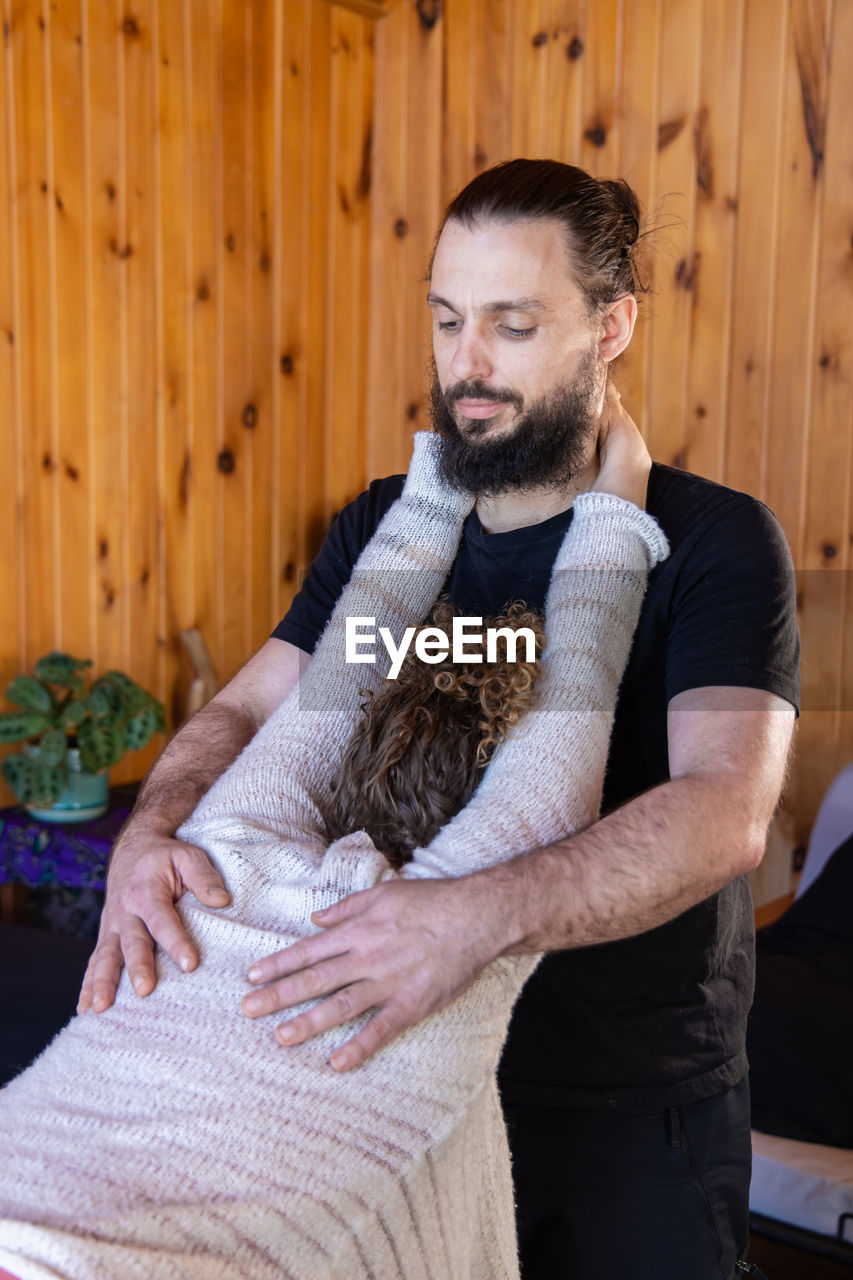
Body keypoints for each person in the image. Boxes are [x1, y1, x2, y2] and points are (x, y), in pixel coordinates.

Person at [74, 159, 798, 1278]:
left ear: (610, 326)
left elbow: (723, 812)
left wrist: (471, 918)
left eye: (511, 325)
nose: (465, 365)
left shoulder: (710, 541)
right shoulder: (388, 531)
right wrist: (151, 828)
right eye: (448, 319)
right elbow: (254, 704)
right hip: (392, 1077)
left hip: (623, 1100)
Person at [0, 413, 666, 1278]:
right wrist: (625, 493)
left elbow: (358, 642)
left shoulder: (219, 854)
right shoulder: (465, 941)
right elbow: (579, 680)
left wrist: (444, 474)